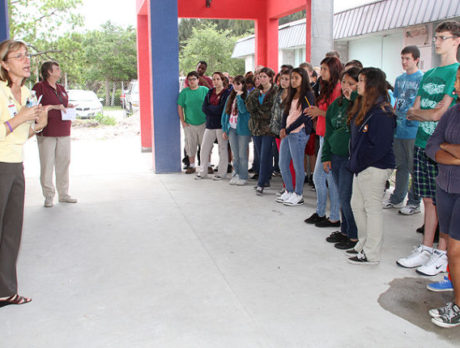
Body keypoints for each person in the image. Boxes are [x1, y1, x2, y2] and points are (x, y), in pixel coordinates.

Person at [397, 21, 459, 276]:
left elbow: (440, 114)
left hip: (446, 151)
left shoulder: (456, 72)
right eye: (437, 37)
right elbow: (413, 111)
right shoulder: (430, 74)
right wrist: (426, 114)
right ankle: (426, 248)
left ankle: (442, 253)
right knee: (427, 201)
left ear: (456, 41)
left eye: (443, 37)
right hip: (424, 144)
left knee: (442, 202)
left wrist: (425, 114)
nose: (437, 42)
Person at [0, 39, 49, 307]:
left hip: (14, 164)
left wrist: (38, 125)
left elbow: (19, 135)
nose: (25, 60)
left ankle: (6, 291)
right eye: (18, 56)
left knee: (11, 231)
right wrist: (21, 116)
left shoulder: (28, 92)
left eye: (27, 55)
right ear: (4, 64)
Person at [346, 67, 396, 264]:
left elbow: (380, 147)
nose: (357, 84)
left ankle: (371, 253)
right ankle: (363, 244)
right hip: (362, 166)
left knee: (372, 208)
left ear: (372, 85)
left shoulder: (383, 112)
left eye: (360, 81)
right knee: (356, 205)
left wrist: (361, 163)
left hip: (375, 167)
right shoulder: (366, 106)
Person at [426, 65, 460, 328]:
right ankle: (457, 301)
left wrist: (448, 149)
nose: (456, 81)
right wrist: (453, 150)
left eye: (459, 78)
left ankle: (458, 307)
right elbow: (431, 146)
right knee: (451, 250)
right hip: (445, 187)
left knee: (456, 250)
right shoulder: (451, 113)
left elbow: (440, 146)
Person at [322, 67, 360, 250]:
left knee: (346, 197)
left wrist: (352, 97)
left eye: (351, 84)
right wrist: (325, 156)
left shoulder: (360, 104)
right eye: (344, 82)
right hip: (335, 155)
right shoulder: (336, 104)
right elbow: (329, 131)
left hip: (349, 158)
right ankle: (345, 230)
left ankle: (353, 235)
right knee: (340, 194)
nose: (346, 87)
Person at [382, 46, 423, 214]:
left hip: (414, 130)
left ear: (416, 59)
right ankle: (398, 197)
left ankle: (414, 201)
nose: (404, 62)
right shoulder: (399, 79)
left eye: (407, 58)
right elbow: (396, 100)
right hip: (399, 128)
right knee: (401, 165)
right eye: (402, 58)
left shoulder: (422, 78)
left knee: (415, 167)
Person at [32, 61, 77, 207]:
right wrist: (53, 106)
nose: (60, 70)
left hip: (64, 130)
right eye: (57, 69)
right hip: (47, 131)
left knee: (64, 162)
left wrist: (66, 106)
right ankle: (49, 196)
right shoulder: (39, 87)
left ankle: (63, 194)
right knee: (47, 165)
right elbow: (34, 107)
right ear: (49, 72)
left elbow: (62, 104)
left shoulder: (61, 88)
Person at [304, 57, 342, 228]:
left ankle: (332, 215)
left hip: (331, 137)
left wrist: (319, 111)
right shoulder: (326, 87)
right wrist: (316, 112)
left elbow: (337, 116)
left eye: (325, 69)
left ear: (333, 70)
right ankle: (323, 213)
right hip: (323, 135)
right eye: (322, 69)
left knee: (322, 176)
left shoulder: (338, 89)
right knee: (326, 177)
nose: (322, 72)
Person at [277, 68, 315, 206]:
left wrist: (288, 129)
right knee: (283, 164)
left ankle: (298, 194)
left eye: (296, 78)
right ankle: (289, 191)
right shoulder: (291, 94)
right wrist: (283, 128)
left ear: (303, 79)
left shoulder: (308, 95)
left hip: (298, 133)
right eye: (292, 78)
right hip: (288, 132)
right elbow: (285, 113)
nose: (293, 81)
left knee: (299, 167)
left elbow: (305, 116)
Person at [245, 67, 277, 195]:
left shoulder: (276, 91)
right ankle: (265, 179)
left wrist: (259, 113)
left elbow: (272, 111)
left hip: (269, 128)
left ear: (270, 77)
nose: (261, 79)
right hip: (256, 128)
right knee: (261, 155)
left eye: (264, 76)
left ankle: (260, 183)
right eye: (259, 77)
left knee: (265, 155)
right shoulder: (256, 92)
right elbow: (249, 107)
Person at [196, 72, 230, 180]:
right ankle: (203, 171)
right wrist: (213, 108)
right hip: (210, 125)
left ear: (223, 80)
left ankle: (221, 173)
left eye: (218, 79)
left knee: (222, 149)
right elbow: (204, 108)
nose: (215, 81)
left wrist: (211, 108)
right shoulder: (210, 92)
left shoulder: (227, 93)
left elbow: (222, 109)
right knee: (204, 148)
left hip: (221, 125)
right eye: (214, 79)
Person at [221, 75, 251, 185]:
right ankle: (236, 173)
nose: (235, 86)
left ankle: (243, 176)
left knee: (242, 154)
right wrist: (225, 129)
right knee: (235, 154)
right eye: (234, 83)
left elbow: (243, 111)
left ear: (243, 85)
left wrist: (239, 97)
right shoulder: (230, 97)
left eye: (238, 84)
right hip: (231, 129)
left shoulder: (247, 97)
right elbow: (225, 113)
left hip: (243, 130)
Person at [177, 71, 209, 174]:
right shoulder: (184, 92)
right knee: (190, 146)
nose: (192, 81)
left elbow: (211, 103)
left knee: (205, 145)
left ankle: (207, 165)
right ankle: (191, 166)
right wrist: (183, 122)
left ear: (198, 80)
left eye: (194, 79)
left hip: (204, 123)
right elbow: (180, 107)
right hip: (189, 124)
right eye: (189, 79)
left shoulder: (204, 90)